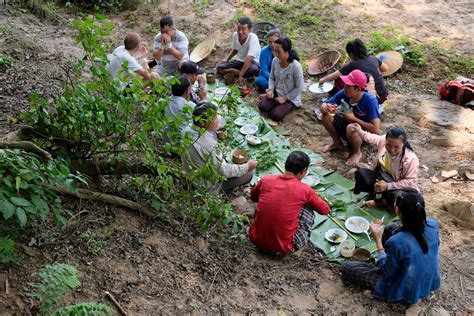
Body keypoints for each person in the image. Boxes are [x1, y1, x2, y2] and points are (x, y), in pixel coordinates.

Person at [341, 191, 440, 305]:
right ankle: (394, 260)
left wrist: (378, 240)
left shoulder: (396, 242)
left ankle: (394, 293)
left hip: (405, 289)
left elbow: (386, 272)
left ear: (397, 210)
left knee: (347, 267)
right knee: (391, 228)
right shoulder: (433, 224)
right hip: (429, 281)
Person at [248, 151, 330, 255]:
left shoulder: (266, 179)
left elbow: (253, 197)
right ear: (304, 171)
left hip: (255, 239)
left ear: (285, 165)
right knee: (308, 208)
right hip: (282, 248)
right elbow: (325, 210)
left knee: (267, 200)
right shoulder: (305, 190)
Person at [182, 102, 257, 193]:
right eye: (214, 119)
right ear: (204, 123)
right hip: (205, 185)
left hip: (191, 174)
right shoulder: (209, 145)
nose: (217, 120)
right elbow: (224, 171)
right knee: (249, 173)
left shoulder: (186, 129)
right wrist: (247, 166)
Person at [320, 69, 381, 166]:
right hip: (348, 125)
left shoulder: (370, 101)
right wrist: (324, 106)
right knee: (326, 115)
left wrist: (354, 119)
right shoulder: (344, 93)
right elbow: (328, 102)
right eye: (346, 84)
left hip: (363, 134)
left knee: (352, 127)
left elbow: (376, 129)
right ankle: (337, 143)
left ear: (358, 89)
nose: (345, 87)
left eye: (348, 86)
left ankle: (357, 152)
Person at [351, 125, 419, 209]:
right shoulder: (383, 140)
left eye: (396, 147)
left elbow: (410, 181)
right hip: (381, 176)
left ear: (404, 144)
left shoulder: (410, 159)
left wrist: (388, 186)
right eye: (389, 145)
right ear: (386, 140)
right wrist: (360, 131)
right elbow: (370, 137)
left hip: (397, 185)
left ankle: (382, 202)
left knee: (398, 197)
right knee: (360, 174)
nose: (392, 149)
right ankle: (363, 195)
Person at [319, 38, 389, 105]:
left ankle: (348, 100)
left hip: (372, 100)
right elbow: (385, 68)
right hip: (383, 95)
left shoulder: (353, 64)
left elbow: (334, 76)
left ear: (351, 54)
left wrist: (323, 80)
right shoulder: (372, 58)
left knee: (339, 80)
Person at [258, 37, 304, 122]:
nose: (275, 54)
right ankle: (274, 103)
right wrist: (270, 90)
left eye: (278, 51)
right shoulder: (275, 61)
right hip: (277, 92)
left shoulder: (295, 66)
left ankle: (289, 105)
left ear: (287, 52)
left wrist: (285, 98)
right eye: (275, 51)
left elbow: (299, 87)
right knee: (262, 107)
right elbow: (271, 77)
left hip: (290, 97)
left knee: (275, 115)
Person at [216, 16, 261, 85]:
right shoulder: (235, 35)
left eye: (243, 29)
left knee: (253, 69)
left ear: (249, 30)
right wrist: (227, 60)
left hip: (252, 63)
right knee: (219, 68)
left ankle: (240, 72)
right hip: (240, 61)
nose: (240, 32)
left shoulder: (253, 38)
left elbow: (249, 59)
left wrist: (240, 75)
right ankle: (239, 71)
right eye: (238, 28)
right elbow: (235, 50)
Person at [163, 74, 196, 143]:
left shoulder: (162, 102)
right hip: (182, 142)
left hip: (166, 140)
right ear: (187, 91)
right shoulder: (190, 106)